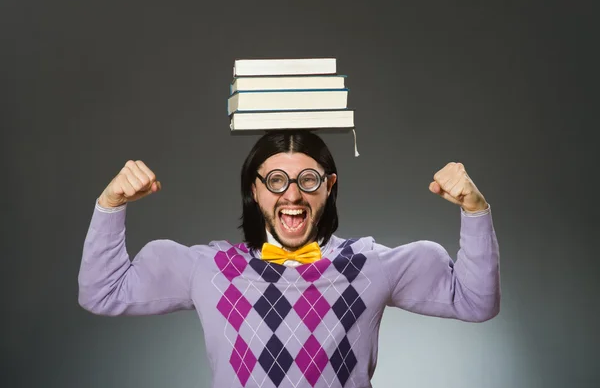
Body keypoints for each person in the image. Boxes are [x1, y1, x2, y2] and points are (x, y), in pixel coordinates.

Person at [78, 130, 500, 388]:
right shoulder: (209, 269)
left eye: (308, 180)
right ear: (255, 189)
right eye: (276, 180)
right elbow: (102, 292)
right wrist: (111, 202)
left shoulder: (371, 265)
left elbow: (476, 300)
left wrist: (475, 210)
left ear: (329, 186)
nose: (292, 194)